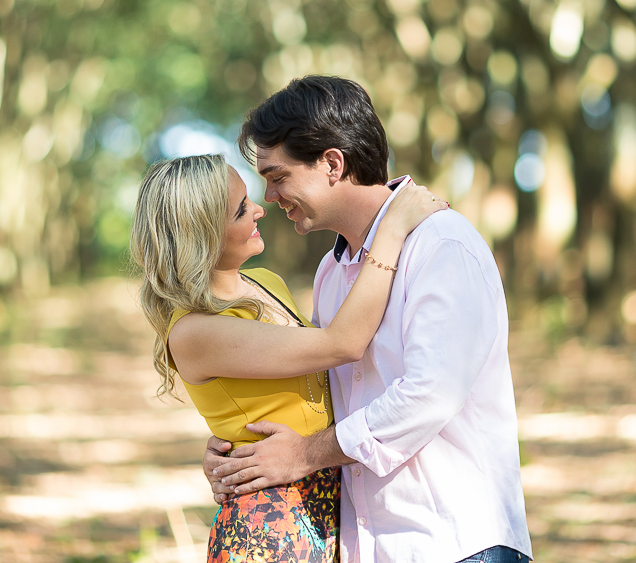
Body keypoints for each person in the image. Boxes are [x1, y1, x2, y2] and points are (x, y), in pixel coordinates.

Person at [203, 76, 533, 563]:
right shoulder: (331, 273)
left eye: (278, 176)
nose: (269, 198)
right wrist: (236, 450)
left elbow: (429, 394)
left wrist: (302, 455)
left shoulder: (440, 244)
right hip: (370, 545)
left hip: (455, 541)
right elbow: (323, 394)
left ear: (332, 164)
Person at [131, 152, 446, 561]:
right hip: (266, 525)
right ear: (203, 232)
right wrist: (392, 230)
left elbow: (325, 373)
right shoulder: (194, 331)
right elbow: (341, 343)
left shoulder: (264, 282)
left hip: (326, 503)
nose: (260, 209)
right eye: (241, 209)